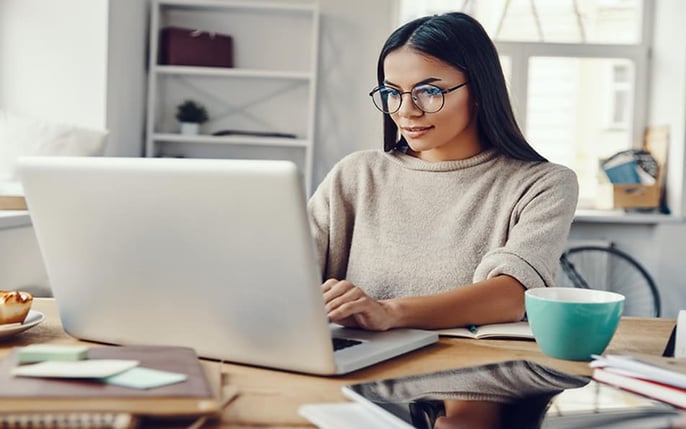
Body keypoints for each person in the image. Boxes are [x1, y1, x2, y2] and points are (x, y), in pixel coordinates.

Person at [307, 12, 578, 331]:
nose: (406, 111)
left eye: (429, 91)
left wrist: (390, 312)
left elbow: (511, 296)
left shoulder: (543, 185)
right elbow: (290, 269)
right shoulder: (355, 175)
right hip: (360, 366)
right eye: (392, 92)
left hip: (471, 372)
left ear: (478, 91)